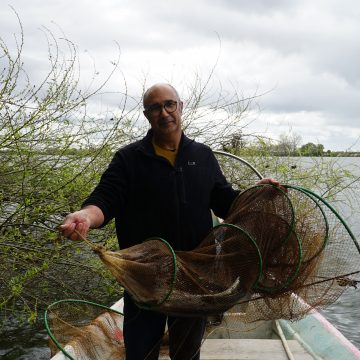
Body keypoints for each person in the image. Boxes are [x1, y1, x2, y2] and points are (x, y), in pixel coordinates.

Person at [60, 83, 280, 359]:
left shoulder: (202, 156)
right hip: (144, 278)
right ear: (146, 114)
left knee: (187, 353)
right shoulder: (129, 159)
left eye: (169, 104)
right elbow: (104, 200)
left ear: (181, 107)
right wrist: (84, 217)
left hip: (194, 278)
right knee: (140, 352)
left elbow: (227, 203)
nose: (164, 112)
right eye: (155, 107)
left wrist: (257, 195)